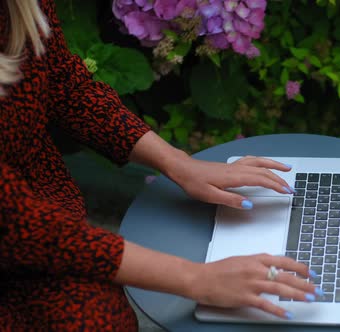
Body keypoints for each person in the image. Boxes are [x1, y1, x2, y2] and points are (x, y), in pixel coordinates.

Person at [0, 0, 320, 329]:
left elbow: (63, 85)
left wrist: (177, 162)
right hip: (23, 226)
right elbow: (17, 224)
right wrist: (198, 278)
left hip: (38, 213)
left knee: (99, 316)